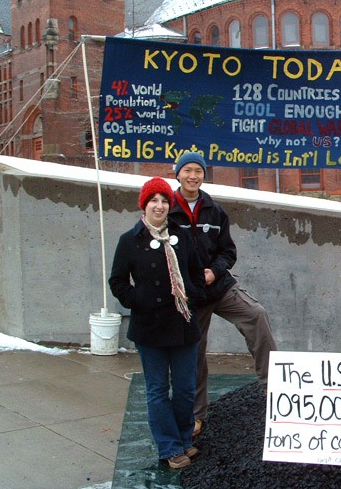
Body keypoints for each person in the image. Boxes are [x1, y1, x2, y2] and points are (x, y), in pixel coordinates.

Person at [168, 152, 277, 437]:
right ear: (177, 173)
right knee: (195, 353)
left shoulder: (215, 211)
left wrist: (214, 272)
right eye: (187, 170)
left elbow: (228, 252)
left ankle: (275, 388)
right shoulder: (166, 211)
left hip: (219, 287)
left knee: (257, 314)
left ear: (204, 175)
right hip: (191, 296)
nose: (193, 176)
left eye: (198, 171)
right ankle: (196, 415)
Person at [109, 177, 206, 470]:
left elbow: (197, 274)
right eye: (154, 200)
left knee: (187, 387)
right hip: (149, 327)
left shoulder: (182, 236)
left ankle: (183, 438)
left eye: (164, 200)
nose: (160, 206)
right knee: (157, 389)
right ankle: (170, 447)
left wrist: (193, 295)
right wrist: (140, 299)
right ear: (144, 204)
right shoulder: (129, 240)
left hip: (183, 324)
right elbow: (117, 281)